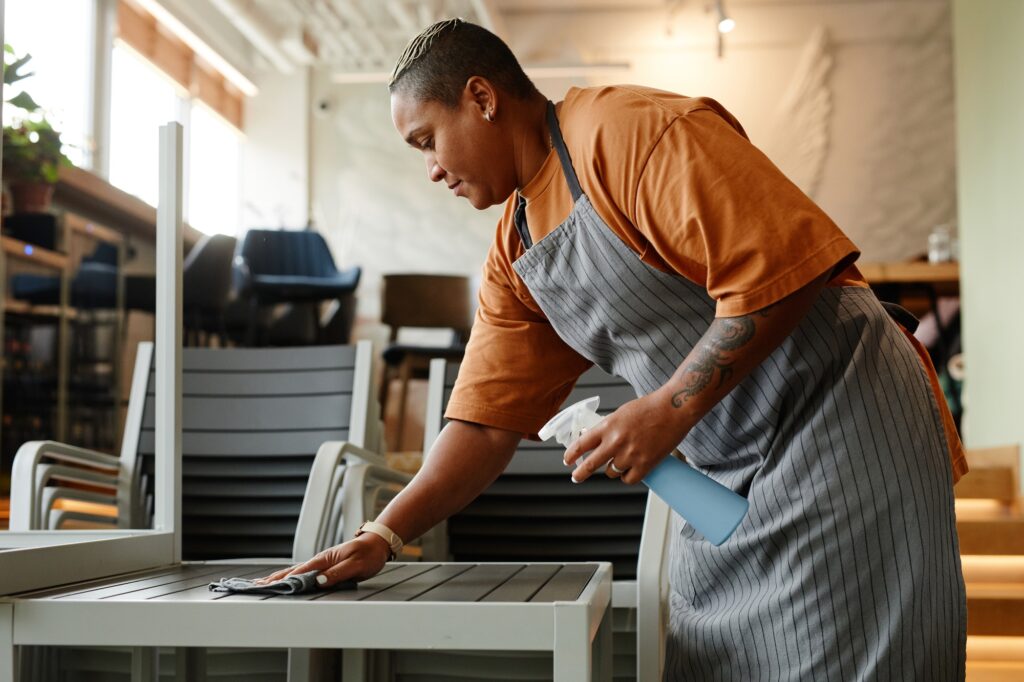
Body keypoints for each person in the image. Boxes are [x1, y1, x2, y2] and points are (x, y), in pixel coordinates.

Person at [260, 18, 967, 680]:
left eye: (426, 141)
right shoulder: (518, 247)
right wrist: (384, 533)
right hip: (730, 471)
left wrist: (666, 409)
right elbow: (482, 424)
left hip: (842, 418)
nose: (432, 171)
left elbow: (780, 271)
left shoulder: (633, 133)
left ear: (480, 98)